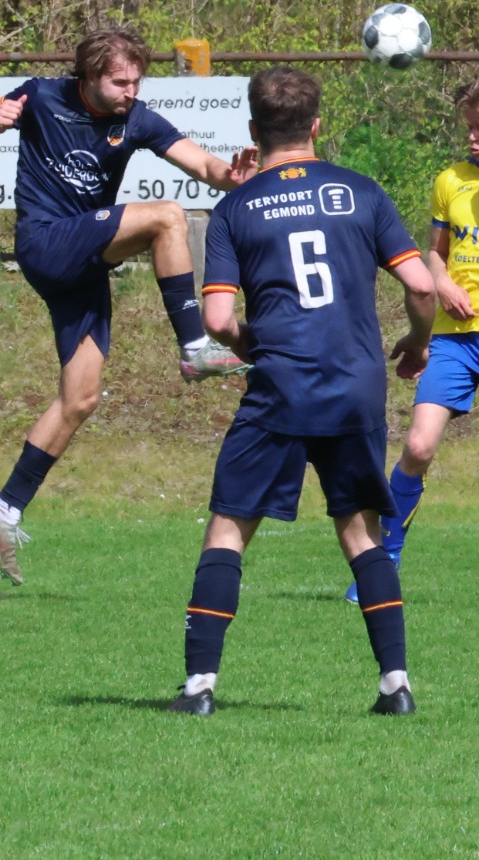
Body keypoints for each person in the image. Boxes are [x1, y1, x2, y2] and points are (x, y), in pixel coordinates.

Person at [166, 66, 437, 717]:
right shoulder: (361, 193)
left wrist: (250, 348)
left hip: (282, 386)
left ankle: (200, 686)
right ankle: (394, 683)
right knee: (360, 531)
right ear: (317, 127)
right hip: (355, 382)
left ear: (254, 133)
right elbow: (423, 287)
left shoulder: (236, 208)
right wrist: (418, 342)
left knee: (229, 526)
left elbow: (219, 319)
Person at [0, 28, 257, 586]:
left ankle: (4, 507)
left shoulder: (136, 119)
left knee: (82, 397)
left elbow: (202, 164)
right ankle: (195, 346)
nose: (129, 90)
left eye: (136, 80)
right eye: (120, 81)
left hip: (83, 261)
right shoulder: (43, 96)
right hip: (46, 242)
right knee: (167, 216)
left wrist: (231, 177)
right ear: (89, 76)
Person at [343, 72, 479, 608]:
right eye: (467, 127)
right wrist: (440, 282)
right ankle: (382, 564)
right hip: (456, 340)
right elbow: (435, 253)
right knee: (418, 446)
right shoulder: (450, 180)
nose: (472, 138)